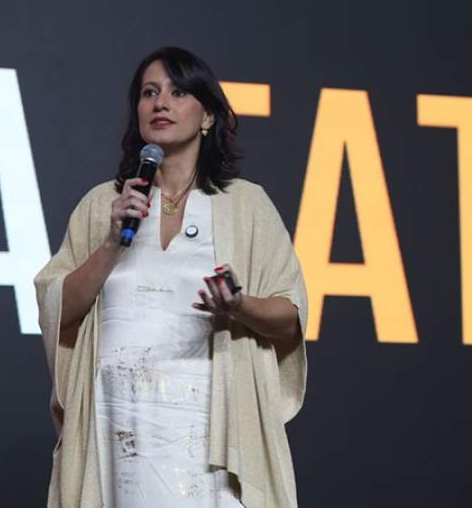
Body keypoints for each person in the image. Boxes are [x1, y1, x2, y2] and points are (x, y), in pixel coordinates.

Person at [34, 46, 308, 508]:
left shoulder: (246, 205)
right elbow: (57, 312)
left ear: (208, 116)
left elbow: (289, 318)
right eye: (149, 93)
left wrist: (238, 305)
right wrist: (111, 244)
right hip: (117, 430)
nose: (160, 103)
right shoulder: (104, 205)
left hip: (208, 433)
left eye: (178, 92)